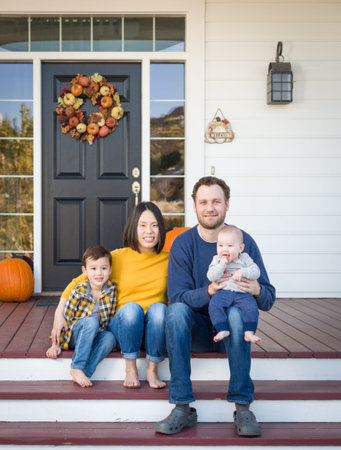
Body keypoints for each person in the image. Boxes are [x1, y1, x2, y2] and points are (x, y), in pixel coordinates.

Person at [155, 176, 276, 437]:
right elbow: (178, 298)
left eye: (216, 202)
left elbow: (268, 298)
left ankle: (243, 406)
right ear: (195, 206)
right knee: (175, 313)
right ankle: (182, 407)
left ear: (227, 204)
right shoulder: (183, 244)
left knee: (235, 314)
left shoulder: (244, 242)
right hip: (197, 331)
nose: (210, 208)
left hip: (232, 332)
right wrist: (210, 290)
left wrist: (256, 289)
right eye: (204, 202)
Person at [50, 202, 169, 389]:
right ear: (133, 227)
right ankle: (130, 368)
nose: (149, 231)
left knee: (160, 309)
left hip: (154, 331)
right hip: (124, 329)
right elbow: (77, 282)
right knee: (131, 308)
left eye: (154, 225)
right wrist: (59, 314)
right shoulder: (118, 257)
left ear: (161, 229)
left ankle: (152, 369)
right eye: (143, 225)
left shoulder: (168, 259)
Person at [46, 245, 116, 388]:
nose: (99, 273)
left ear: (110, 270)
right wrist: (54, 345)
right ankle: (77, 366)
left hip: (95, 334)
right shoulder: (78, 291)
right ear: (84, 271)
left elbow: (109, 319)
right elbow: (64, 319)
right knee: (90, 323)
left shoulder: (112, 290)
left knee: (110, 338)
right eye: (93, 268)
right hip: (75, 335)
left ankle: (86, 371)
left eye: (103, 268)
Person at [207, 225, 262, 344]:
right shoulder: (216, 260)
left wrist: (243, 272)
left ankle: (249, 333)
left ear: (240, 248)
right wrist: (222, 265)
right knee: (214, 305)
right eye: (220, 245)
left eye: (230, 246)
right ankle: (222, 329)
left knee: (251, 307)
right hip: (224, 292)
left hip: (242, 293)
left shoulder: (245, 259)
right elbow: (211, 276)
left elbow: (256, 272)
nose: (224, 249)